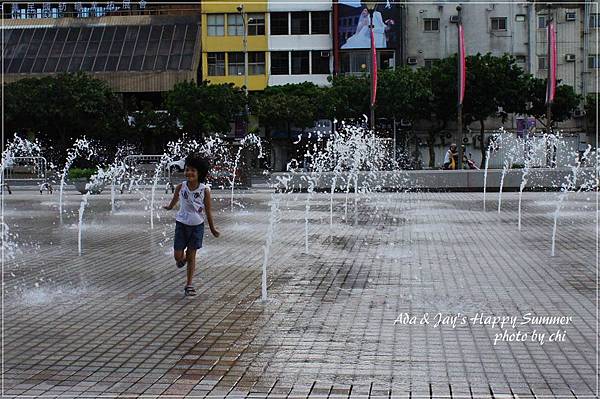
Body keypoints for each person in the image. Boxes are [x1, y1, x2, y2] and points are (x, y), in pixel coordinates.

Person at [163, 155, 220, 297]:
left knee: (192, 255)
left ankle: (189, 284)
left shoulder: (204, 190)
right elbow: (175, 200)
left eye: (193, 170)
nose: (189, 173)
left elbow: (208, 210)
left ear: (199, 173)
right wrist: (169, 207)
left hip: (197, 226)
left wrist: (212, 229)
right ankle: (181, 261)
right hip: (181, 224)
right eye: (187, 169)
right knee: (178, 256)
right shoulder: (180, 187)